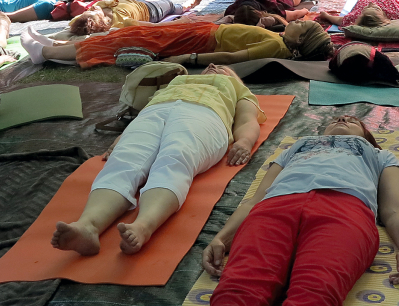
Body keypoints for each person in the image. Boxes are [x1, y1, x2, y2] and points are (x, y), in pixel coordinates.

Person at [202, 115, 399, 306]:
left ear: (366, 137)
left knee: (316, 293)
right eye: (336, 118)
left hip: (345, 210)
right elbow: (254, 200)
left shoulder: (379, 155)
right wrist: (222, 237)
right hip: (273, 208)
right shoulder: (296, 147)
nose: (343, 117)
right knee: (237, 290)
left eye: (353, 120)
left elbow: (397, 207)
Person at [52, 64, 263, 256]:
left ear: (236, 78)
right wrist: (121, 138)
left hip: (205, 115)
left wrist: (244, 141)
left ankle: (144, 225)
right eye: (211, 66)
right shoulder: (177, 81)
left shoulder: (238, 89)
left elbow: (247, 119)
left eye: (223, 68)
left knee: (175, 157)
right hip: (156, 111)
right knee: (124, 159)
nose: (212, 66)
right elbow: (141, 114)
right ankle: (88, 226)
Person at [20, 19, 334, 68]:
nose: (296, 21)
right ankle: (52, 45)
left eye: (301, 25)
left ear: (298, 41)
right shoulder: (279, 39)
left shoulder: (275, 48)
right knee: (133, 32)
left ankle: (45, 53)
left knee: (132, 40)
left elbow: (232, 56)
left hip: (200, 40)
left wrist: (188, 58)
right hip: (203, 30)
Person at [67, 0, 205, 35]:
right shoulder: (122, 23)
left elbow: (76, 23)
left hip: (130, 1)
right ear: (99, 21)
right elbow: (153, 27)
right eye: (93, 12)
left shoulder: (83, 20)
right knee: (170, 4)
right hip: (150, 10)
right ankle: (189, 4)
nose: (92, 8)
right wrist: (180, 22)